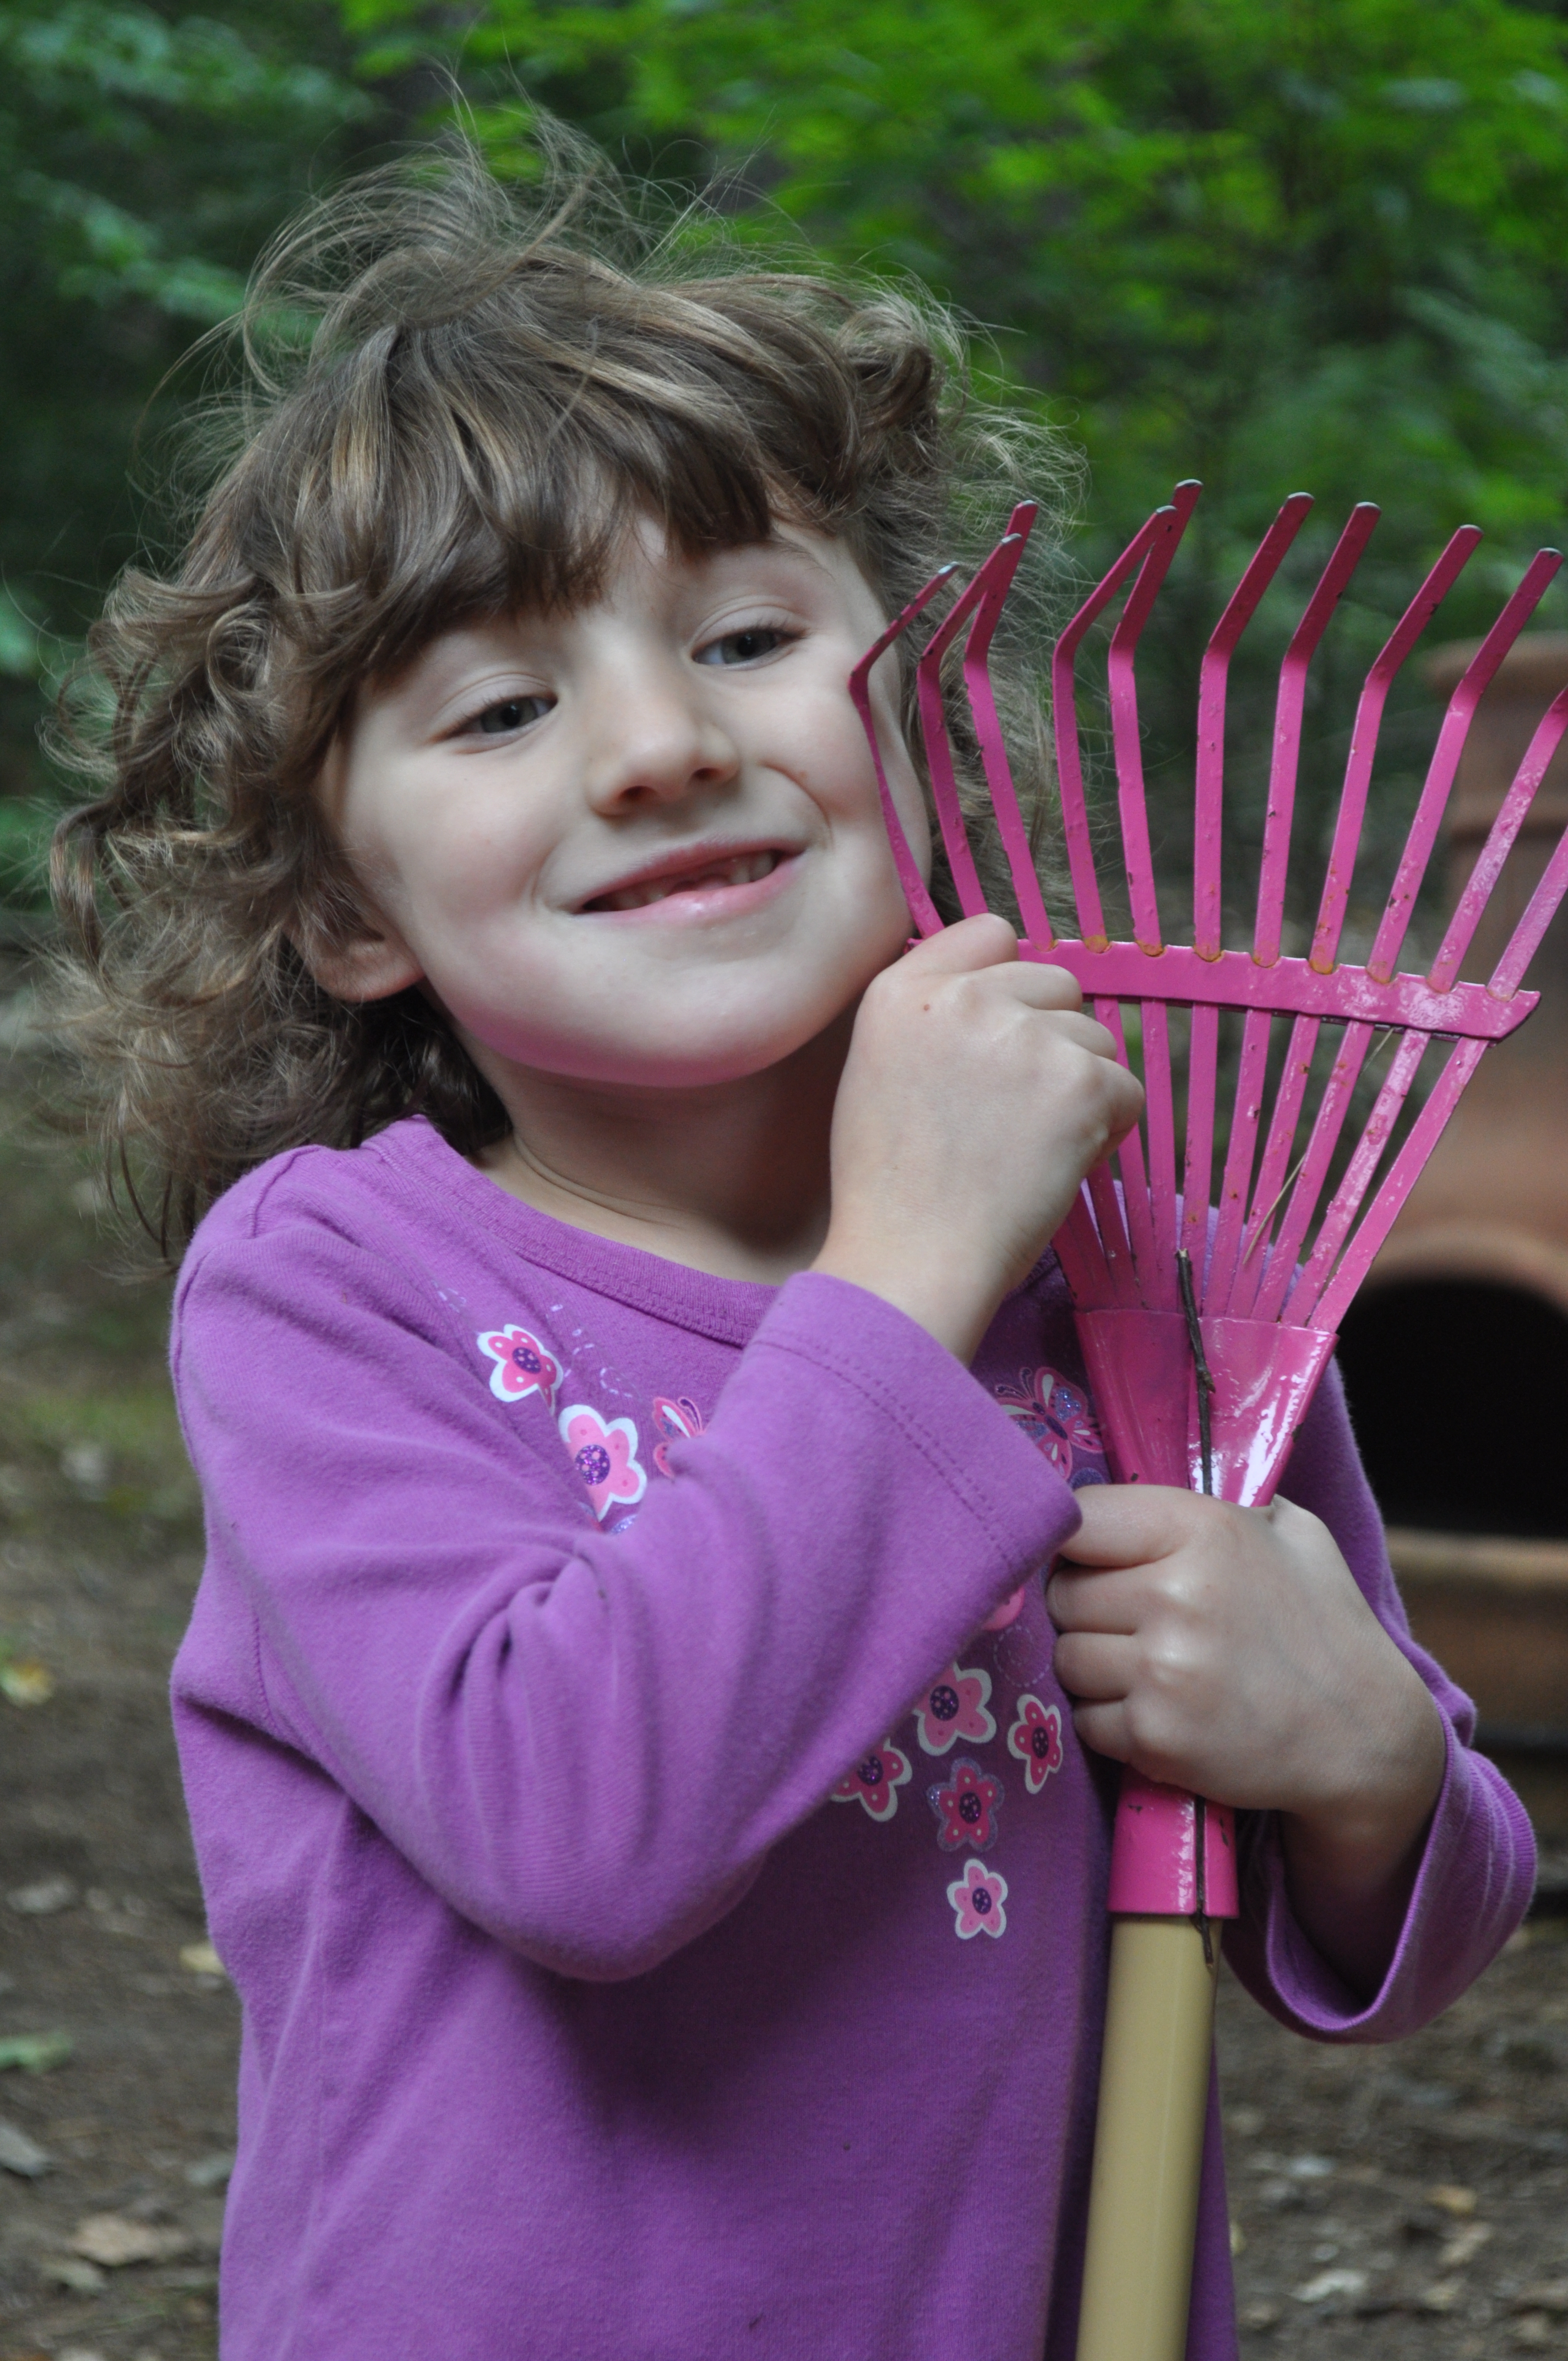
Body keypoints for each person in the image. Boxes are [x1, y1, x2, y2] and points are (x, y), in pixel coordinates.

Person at [51, 132, 1532, 2361]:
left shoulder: (1158, 1283)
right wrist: (909, 1264)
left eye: (746, 638)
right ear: (352, 911)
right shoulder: (336, 1288)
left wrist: (1374, 1764)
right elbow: (580, 1834)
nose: (661, 745)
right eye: (504, 709)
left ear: (924, 718)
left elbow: (1399, 1927)